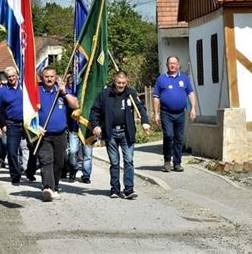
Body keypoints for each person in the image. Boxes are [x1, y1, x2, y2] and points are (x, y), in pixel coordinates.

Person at [90, 70, 150, 200]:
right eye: (118, 82)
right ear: (114, 81)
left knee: (128, 160)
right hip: (110, 133)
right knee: (114, 162)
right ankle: (115, 189)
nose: (121, 85)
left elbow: (141, 108)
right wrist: (96, 125)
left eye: (123, 83)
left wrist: (145, 122)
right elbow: (95, 111)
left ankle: (129, 189)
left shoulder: (131, 93)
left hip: (127, 133)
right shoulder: (105, 94)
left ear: (126, 82)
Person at [37, 67, 78, 201]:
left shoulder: (61, 91)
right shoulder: (36, 91)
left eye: (52, 76)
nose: (49, 79)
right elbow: (28, 112)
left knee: (59, 163)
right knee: (46, 160)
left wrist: (65, 93)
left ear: (56, 77)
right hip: (43, 134)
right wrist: (35, 126)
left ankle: (54, 187)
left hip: (60, 134)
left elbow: (75, 105)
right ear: (42, 78)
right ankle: (47, 187)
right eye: (46, 76)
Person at [153, 56, 196, 172]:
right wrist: (156, 114)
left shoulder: (184, 78)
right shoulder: (161, 79)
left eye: (174, 63)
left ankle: (177, 163)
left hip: (181, 113)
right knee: (168, 135)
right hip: (166, 113)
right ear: (167, 65)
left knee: (179, 138)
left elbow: (191, 93)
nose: (172, 65)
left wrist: (193, 108)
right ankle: (167, 161)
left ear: (178, 65)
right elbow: (156, 97)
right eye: (170, 63)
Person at [0, 67, 24, 185]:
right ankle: (15, 176)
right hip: (12, 124)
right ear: (6, 78)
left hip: (27, 123)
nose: (11, 78)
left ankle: (30, 170)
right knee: (11, 151)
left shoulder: (24, 88)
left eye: (13, 75)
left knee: (34, 149)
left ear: (17, 75)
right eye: (9, 77)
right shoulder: (2, 91)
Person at [65, 74, 93, 184]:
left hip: (86, 128)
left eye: (75, 82)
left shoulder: (86, 94)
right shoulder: (67, 94)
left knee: (87, 154)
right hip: (73, 127)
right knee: (72, 151)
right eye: (71, 82)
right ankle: (72, 170)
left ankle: (86, 175)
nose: (73, 84)